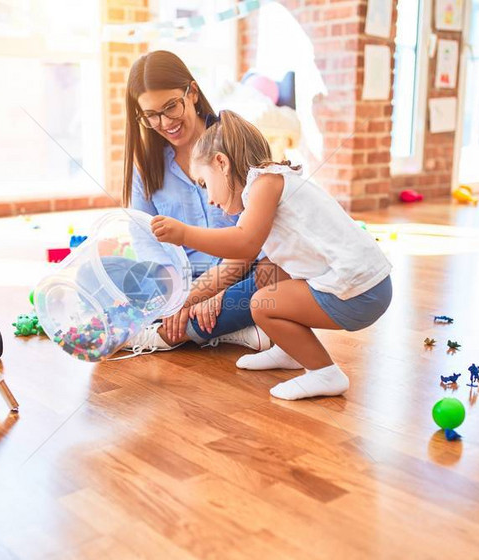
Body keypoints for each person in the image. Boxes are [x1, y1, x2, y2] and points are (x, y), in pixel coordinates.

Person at [151, 111, 393, 400]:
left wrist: (185, 234)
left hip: (360, 292)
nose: (210, 199)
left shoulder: (265, 184)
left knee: (262, 305)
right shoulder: (268, 185)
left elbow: (244, 245)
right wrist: (191, 299)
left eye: (204, 184)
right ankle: (291, 351)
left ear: (221, 163)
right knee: (269, 271)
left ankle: (324, 373)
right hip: (366, 286)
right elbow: (243, 262)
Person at [121, 50, 282, 356]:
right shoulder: (144, 168)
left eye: (171, 107)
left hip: (242, 272)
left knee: (274, 283)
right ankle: (230, 332)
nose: (165, 122)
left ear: (192, 93)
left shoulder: (235, 142)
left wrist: (209, 292)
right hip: (179, 282)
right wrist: (180, 295)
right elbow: (148, 246)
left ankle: (164, 336)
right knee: (114, 282)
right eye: (151, 115)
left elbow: (254, 239)